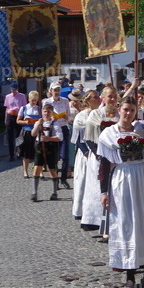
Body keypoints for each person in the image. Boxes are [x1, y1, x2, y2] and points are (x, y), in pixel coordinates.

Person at [98, 97, 144, 288]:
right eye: (125, 109)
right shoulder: (109, 133)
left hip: (143, 177)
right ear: (118, 110)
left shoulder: (141, 129)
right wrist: (104, 192)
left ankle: (141, 257)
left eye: (132, 110)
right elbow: (104, 164)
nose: (128, 113)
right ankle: (129, 270)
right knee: (125, 221)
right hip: (123, 178)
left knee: (142, 219)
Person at [83, 87, 120, 236]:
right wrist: (101, 155)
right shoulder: (96, 114)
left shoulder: (119, 114)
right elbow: (88, 138)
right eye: (109, 97)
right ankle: (97, 220)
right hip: (99, 156)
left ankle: (114, 223)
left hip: (116, 159)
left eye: (114, 97)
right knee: (100, 188)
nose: (112, 99)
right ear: (103, 98)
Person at [71, 90, 100, 224]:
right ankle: (80, 210)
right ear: (88, 100)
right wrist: (86, 152)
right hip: (85, 152)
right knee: (82, 180)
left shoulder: (100, 114)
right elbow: (77, 138)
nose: (98, 99)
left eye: (98, 97)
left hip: (97, 151)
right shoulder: (81, 116)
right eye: (95, 97)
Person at [30, 103, 64, 201]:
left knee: (52, 170)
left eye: (48, 112)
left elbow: (60, 137)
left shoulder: (55, 124)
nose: (46, 113)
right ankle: (34, 193)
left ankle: (54, 192)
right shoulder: (38, 122)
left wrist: (48, 138)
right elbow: (33, 134)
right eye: (45, 111)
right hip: (39, 147)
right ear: (42, 112)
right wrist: (38, 125)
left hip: (50, 147)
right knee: (36, 168)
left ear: (52, 112)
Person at [45, 82, 73, 187]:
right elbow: (45, 117)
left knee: (65, 156)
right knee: (55, 156)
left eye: (58, 90)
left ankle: (64, 179)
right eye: (55, 90)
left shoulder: (65, 101)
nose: (56, 92)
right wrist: (52, 118)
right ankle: (55, 180)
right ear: (51, 91)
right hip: (54, 129)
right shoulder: (47, 102)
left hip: (64, 128)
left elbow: (69, 115)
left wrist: (66, 117)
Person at [16, 90, 43, 178]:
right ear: (29, 99)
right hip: (26, 132)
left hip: (36, 132)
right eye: (32, 100)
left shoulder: (39, 109)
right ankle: (25, 171)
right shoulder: (23, 108)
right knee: (26, 153)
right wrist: (26, 122)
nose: (34, 102)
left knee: (38, 152)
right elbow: (18, 121)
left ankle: (39, 171)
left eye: (36, 100)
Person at [3, 85, 26, 161]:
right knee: (10, 137)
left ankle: (18, 152)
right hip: (10, 116)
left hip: (18, 116)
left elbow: (24, 107)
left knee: (18, 136)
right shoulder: (8, 96)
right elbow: (7, 108)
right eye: (12, 89)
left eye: (14, 89)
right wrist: (6, 119)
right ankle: (11, 155)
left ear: (17, 89)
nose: (13, 91)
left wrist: (23, 117)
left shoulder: (22, 96)